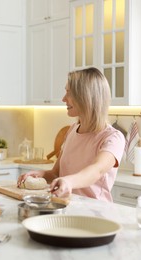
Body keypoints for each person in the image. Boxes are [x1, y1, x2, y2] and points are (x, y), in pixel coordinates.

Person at [17, 67, 125, 202]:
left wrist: (68, 182)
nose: (63, 99)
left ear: (85, 96)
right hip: (66, 207)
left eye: (69, 93)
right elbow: (56, 173)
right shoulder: (72, 130)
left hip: (95, 213)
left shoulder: (112, 138)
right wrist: (41, 175)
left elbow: (96, 171)